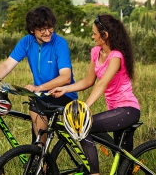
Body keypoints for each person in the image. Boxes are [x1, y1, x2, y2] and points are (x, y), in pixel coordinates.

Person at [49, 14, 140, 175]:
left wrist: (85, 106)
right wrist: (65, 89)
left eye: (94, 33)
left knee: (85, 127)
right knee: (123, 167)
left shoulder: (116, 57)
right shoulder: (96, 52)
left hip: (127, 109)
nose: (92, 36)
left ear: (105, 36)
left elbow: (102, 83)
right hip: (115, 110)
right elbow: (89, 80)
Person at [0, 6, 77, 143]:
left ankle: (41, 157)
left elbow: (66, 77)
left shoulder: (59, 43)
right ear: (32, 30)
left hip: (63, 94)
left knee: (36, 108)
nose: (48, 32)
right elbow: (7, 65)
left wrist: (39, 87)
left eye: (50, 28)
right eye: (42, 29)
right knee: (37, 109)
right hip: (41, 94)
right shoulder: (26, 42)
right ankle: (39, 156)